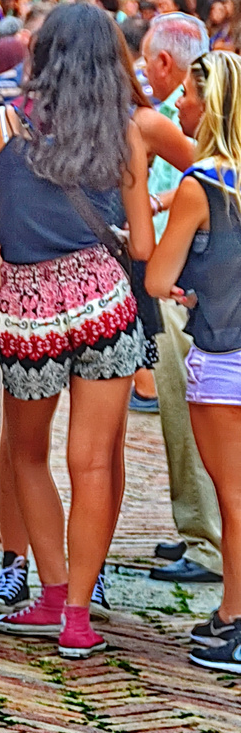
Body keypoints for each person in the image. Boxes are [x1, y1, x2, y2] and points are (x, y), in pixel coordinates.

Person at [0, 4, 154, 659]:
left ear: (40, 56)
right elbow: (140, 243)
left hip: (27, 309)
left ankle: (48, 592)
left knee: (26, 454)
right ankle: (77, 615)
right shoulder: (123, 133)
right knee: (94, 462)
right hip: (103, 302)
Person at [146, 51, 241, 673]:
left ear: (207, 105)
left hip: (223, 353)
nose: (176, 105)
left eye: (185, 94)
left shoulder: (200, 185)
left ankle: (235, 617)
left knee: (233, 498)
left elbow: (157, 277)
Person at [142, 13, 224, 584]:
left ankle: (209, 542)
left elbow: (206, 185)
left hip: (184, 285)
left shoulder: (180, 119)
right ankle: (198, 527)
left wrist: (168, 200)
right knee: (184, 411)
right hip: (191, 283)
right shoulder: (196, 113)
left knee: (192, 410)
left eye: (150, 60)